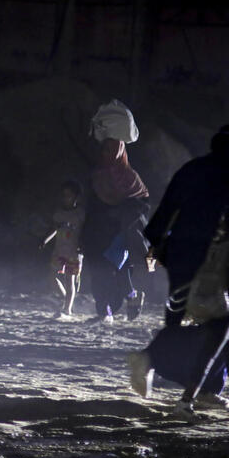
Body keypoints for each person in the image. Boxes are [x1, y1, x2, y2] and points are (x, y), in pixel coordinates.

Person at [128, 124, 229, 418]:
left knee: (182, 317)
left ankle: (202, 387)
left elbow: (168, 206)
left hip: (181, 253)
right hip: (211, 258)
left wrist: (157, 244)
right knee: (216, 326)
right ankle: (157, 361)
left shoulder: (193, 168)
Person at [81, 137, 149, 324]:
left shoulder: (130, 177)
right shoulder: (97, 175)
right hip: (96, 233)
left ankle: (128, 299)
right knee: (98, 273)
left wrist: (119, 212)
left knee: (119, 272)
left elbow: (142, 205)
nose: (106, 153)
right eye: (104, 149)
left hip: (119, 233)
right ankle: (104, 311)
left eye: (110, 149)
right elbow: (91, 206)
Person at [40, 180, 86, 318]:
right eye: (64, 195)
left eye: (69, 195)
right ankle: (66, 297)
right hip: (59, 251)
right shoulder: (59, 214)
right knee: (51, 277)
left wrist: (82, 247)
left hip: (74, 252)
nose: (66, 198)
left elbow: (85, 231)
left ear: (76, 197)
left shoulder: (80, 214)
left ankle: (67, 309)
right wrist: (44, 240)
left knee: (70, 280)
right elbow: (54, 229)